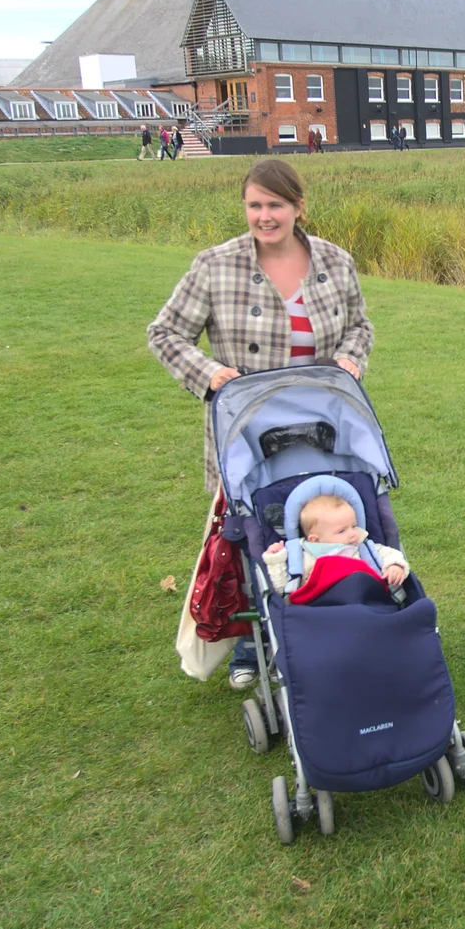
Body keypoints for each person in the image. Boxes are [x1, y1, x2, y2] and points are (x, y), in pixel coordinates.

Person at [146, 158, 374, 690]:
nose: (264, 216)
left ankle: (337, 617)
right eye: (255, 205)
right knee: (257, 532)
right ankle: (254, 640)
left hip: (323, 426)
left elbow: (359, 326)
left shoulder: (335, 262)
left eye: (276, 205)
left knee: (330, 519)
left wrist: (351, 360)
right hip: (248, 429)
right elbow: (165, 333)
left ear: (299, 207)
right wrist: (210, 374)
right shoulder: (215, 265)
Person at [263, 493, 409, 594]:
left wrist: (394, 566)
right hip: (321, 610)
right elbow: (282, 587)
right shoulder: (303, 556)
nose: (352, 533)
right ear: (315, 539)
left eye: (354, 525)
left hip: (365, 600)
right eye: (342, 531)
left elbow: (390, 553)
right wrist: (276, 559)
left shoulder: (363, 548)